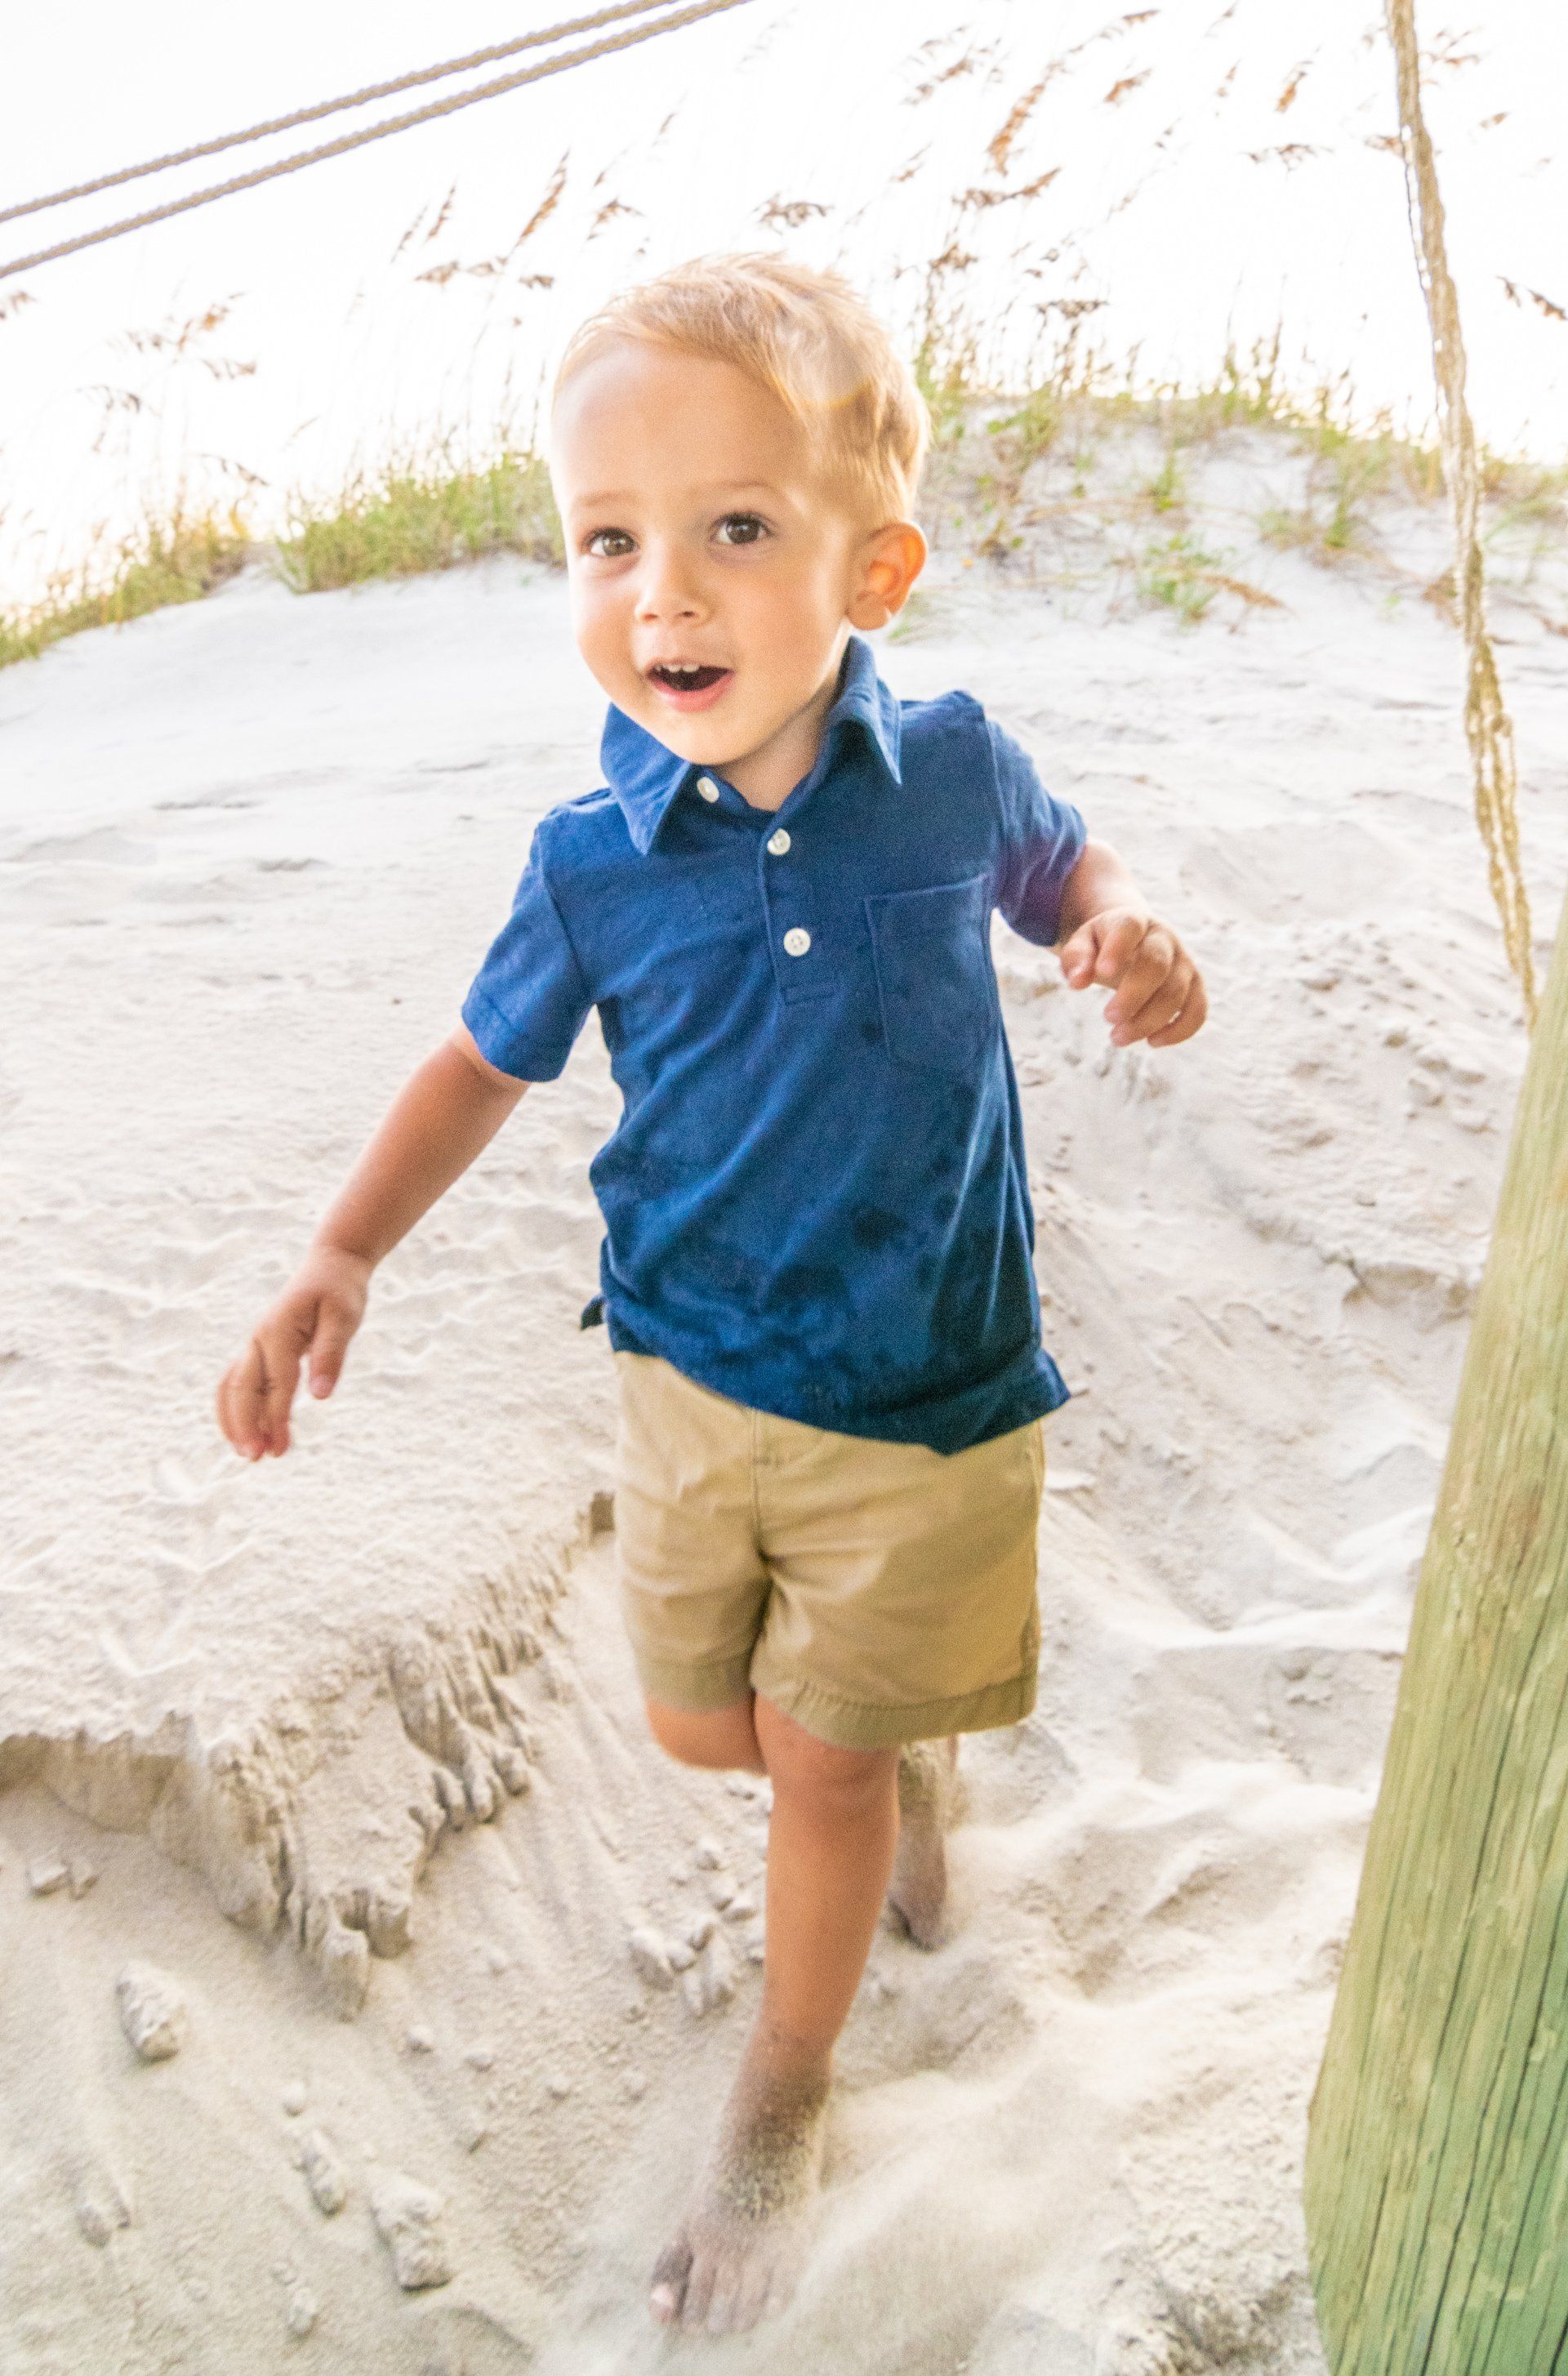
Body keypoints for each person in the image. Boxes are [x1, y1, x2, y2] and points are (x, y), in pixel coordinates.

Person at [215, 252, 1207, 2338]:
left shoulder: (947, 773)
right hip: (690, 1376)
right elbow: (483, 1060)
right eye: (610, 541)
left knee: (824, 1762)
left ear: (878, 562)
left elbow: (1071, 876)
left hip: (924, 1380)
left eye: (734, 532)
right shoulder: (595, 855)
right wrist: (340, 1249)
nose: (663, 594)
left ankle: (787, 2071)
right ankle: (883, 1758)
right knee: (712, 1728)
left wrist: (1131, 933)